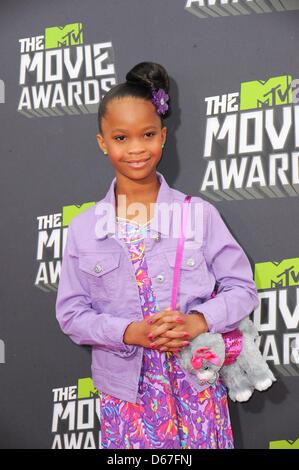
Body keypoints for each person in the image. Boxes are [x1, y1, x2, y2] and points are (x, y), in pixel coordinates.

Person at [55, 61, 260, 449]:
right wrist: (131, 332)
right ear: (102, 141)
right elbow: (71, 314)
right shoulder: (83, 229)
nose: (136, 149)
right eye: (120, 137)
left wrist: (198, 321)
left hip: (198, 387)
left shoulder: (197, 214)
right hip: (126, 398)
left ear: (163, 136)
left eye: (147, 134)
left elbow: (242, 289)